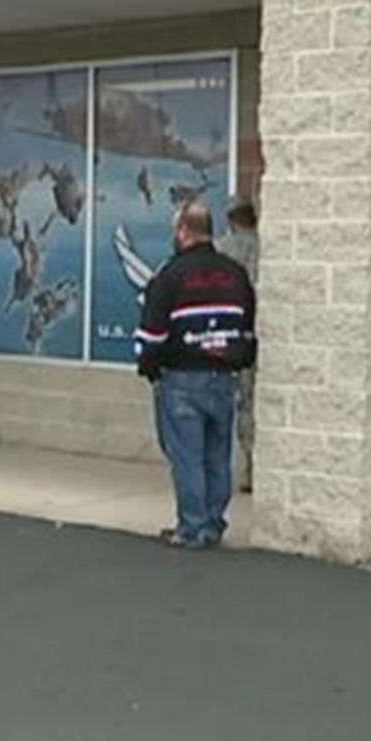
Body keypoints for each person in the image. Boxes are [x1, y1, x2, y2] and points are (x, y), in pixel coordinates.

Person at [135, 200, 257, 550]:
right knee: (217, 454)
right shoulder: (235, 273)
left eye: (176, 229)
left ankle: (191, 528)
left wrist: (149, 367)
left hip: (181, 377)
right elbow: (246, 327)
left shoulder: (170, 275)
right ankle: (212, 524)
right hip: (223, 378)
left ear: (183, 231)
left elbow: (152, 334)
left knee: (186, 455)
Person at [217, 200, 261, 493]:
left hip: (227, 337)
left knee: (231, 401)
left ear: (232, 220)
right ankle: (255, 464)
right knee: (253, 400)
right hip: (258, 335)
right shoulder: (267, 248)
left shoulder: (224, 249)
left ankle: (239, 466)